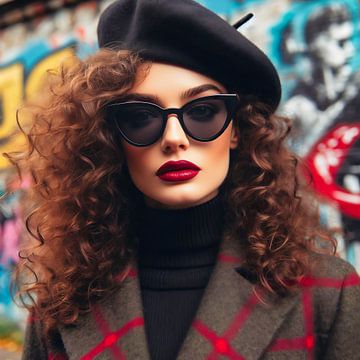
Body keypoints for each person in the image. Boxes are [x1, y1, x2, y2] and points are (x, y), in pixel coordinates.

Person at [5, 0, 359, 359]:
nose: (174, 137)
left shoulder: (327, 293)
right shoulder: (62, 306)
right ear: (112, 137)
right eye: (142, 116)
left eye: (203, 111)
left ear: (236, 129)